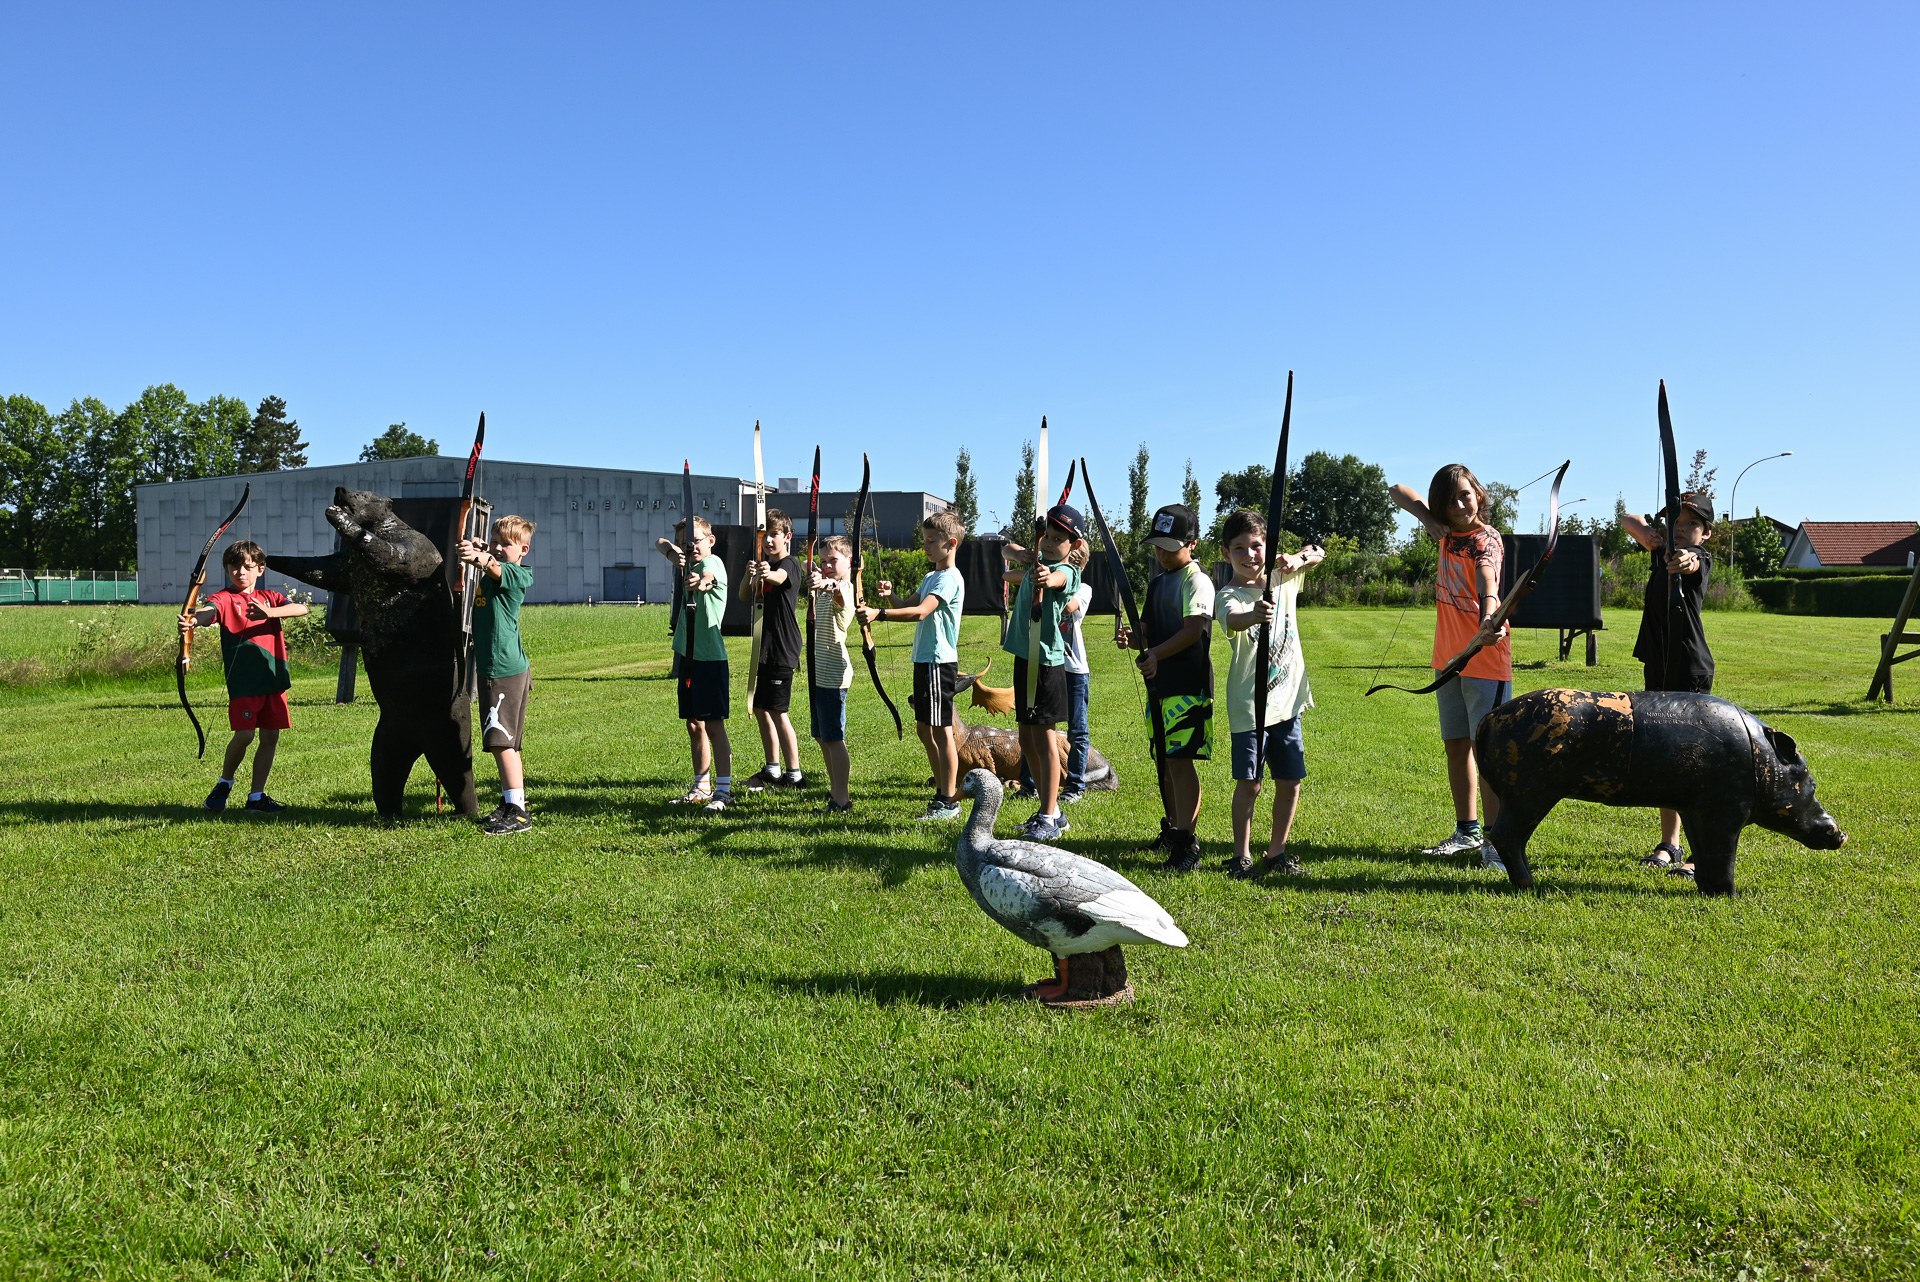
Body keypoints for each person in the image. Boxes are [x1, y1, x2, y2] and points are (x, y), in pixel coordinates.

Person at [1388, 464, 1512, 872]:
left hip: (1484, 658)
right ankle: (1467, 831)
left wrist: (1489, 615)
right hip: (1448, 661)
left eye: (1465, 495)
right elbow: (1397, 489)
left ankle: (1497, 841)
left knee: (1488, 754)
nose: (1459, 505)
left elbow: (1488, 578)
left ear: (1479, 493)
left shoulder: (1485, 538)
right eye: (1449, 500)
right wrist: (1428, 519)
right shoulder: (1444, 533)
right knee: (1457, 746)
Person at [1215, 510, 1324, 879]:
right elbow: (1232, 619)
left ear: (1268, 546)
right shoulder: (1228, 594)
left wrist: (1297, 559)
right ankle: (1241, 855)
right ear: (1226, 553)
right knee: (1251, 784)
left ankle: (1276, 851)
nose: (1249, 555)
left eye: (1256, 545)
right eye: (1239, 548)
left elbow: (1318, 551)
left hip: (1287, 703)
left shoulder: (1281, 577)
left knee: (1290, 781)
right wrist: (1254, 614)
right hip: (1250, 707)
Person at [1622, 491, 1717, 877]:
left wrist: (1684, 559)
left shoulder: (1700, 558)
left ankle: (1700, 851)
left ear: (1705, 533)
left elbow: (1691, 563)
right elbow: (1627, 518)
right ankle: (1669, 844)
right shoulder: (1661, 549)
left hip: (1689, 670)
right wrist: (1648, 534)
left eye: (1691, 524)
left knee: (1689, 762)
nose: (1681, 529)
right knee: (1666, 759)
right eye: (1676, 521)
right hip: (1658, 666)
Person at [1116, 503, 1214, 872]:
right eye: (1157, 546)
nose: (1162, 553)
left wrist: (1155, 652)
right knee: (1166, 761)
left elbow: (1193, 631)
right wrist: (1133, 638)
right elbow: (1147, 629)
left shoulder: (1196, 580)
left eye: (1170, 547)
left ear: (1192, 544)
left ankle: (1188, 842)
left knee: (1181, 762)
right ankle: (1174, 829)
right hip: (1160, 684)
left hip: (1187, 686)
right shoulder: (1158, 582)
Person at [179, 540, 309, 814]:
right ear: (227, 569)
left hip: (273, 679)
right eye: (234, 567)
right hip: (244, 683)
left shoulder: (271, 598)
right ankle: (224, 784)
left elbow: (301, 609)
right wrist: (193, 620)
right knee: (245, 735)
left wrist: (270, 613)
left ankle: (256, 797)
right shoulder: (224, 599)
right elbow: (209, 612)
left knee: (270, 736)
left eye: (248, 567)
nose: (240, 572)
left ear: (260, 569)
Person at [860, 510, 967, 820]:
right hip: (924, 660)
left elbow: (921, 612)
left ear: (951, 543)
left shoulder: (949, 579)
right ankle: (943, 790)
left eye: (932, 541)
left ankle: (949, 800)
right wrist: (890, 596)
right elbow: (907, 606)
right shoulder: (932, 577)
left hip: (938, 662)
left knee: (941, 730)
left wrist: (878, 614)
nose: (926, 546)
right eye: (925, 540)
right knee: (924, 729)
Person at [1001, 505, 1088, 841]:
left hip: (1046, 663)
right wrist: (1025, 555)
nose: (1050, 543)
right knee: (1026, 739)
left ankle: (1049, 817)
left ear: (1074, 545)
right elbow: (1006, 549)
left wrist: (1045, 577)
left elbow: (1058, 579)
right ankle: (1048, 810)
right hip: (1025, 657)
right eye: (1047, 537)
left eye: (1058, 539)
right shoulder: (1037, 559)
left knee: (1044, 739)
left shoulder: (1068, 571)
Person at [459, 515, 536, 835]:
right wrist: (482, 548)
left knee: (500, 742)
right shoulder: (496, 565)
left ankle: (518, 813)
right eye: (495, 541)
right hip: (502, 671)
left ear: (523, 550)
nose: (499, 548)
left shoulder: (517, 574)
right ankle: (510, 803)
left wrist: (481, 556)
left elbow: (494, 566)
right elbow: (490, 561)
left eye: (507, 544)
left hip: (503, 671)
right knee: (506, 744)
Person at [656, 517, 733, 811]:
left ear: (710, 540)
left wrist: (699, 583)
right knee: (693, 724)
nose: (691, 548)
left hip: (709, 659)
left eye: (696, 542)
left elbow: (708, 578)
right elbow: (660, 542)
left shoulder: (712, 563)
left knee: (713, 725)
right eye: (686, 544)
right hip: (689, 656)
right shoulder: (686, 559)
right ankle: (702, 787)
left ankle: (724, 792)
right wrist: (674, 553)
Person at [1014, 544, 1095, 804]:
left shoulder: (1082, 587)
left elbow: (1069, 606)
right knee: (1033, 727)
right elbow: (1007, 569)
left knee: (1077, 731)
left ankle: (1074, 785)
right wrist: (1027, 563)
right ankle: (1030, 784)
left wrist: (1047, 581)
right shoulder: (1045, 571)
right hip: (1045, 663)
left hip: (1074, 669)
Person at [745, 509, 805, 792]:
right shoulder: (764, 566)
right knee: (760, 708)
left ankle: (794, 775)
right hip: (766, 648)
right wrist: (751, 575)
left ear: (787, 537)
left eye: (774, 535)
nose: (768, 540)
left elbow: (781, 577)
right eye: (764, 536)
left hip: (782, 647)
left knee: (778, 711)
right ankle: (772, 769)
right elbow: (745, 595)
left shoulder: (789, 563)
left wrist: (766, 572)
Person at [806, 535, 857, 814]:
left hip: (833, 675)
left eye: (833, 560)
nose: (827, 565)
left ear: (850, 561)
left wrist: (826, 583)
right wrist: (817, 574)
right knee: (822, 736)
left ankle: (841, 799)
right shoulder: (825, 585)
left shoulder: (844, 588)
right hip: (819, 674)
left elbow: (839, 593)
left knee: (834, 738)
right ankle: (836, 787)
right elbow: (812, 570)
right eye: (823, 561)